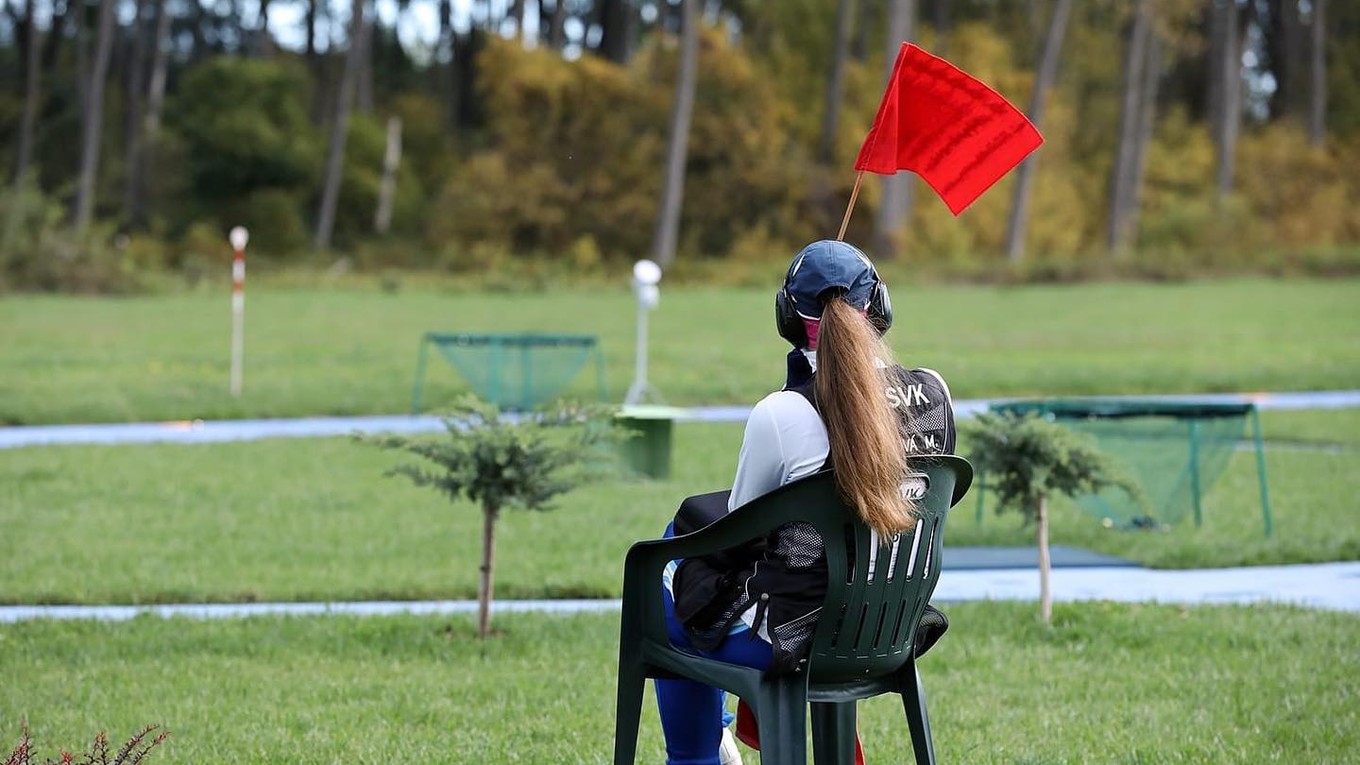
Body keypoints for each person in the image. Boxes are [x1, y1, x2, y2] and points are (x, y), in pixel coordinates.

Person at [652, 239, 957, 765]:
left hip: (799, 639)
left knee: (664, 569)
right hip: (889, 628)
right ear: (880, 307)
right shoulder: (935, 391)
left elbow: (740, 534)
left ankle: (696, 757)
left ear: (788, 316)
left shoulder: (782, 413)